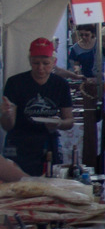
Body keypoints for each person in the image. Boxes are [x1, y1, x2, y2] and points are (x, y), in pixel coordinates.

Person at [1, 38, 74, 175]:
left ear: (54, 62)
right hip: (19, 144)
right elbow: (7, 126)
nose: (40, 68)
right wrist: (6, 114)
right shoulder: (15, 83)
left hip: (47, 144)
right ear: (30, 61)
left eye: (46, 63)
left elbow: (69, 121)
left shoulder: (60, 84)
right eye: (36, 63)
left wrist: (58, 124)